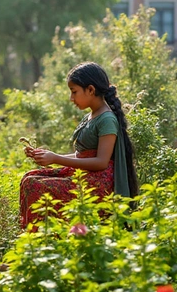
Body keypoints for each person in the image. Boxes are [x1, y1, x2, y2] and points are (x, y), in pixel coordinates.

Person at [20, 62, 138, 226]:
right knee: (28, 177)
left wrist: (55, 159)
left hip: (97, 183)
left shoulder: (107, 119)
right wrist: (46, 156)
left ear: (90, 90)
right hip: (85, 175)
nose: (71, 98)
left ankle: (45, 237)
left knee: (34, 185)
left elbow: (101, 162)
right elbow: (81, 155)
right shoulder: (92, 115)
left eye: (74, 92)